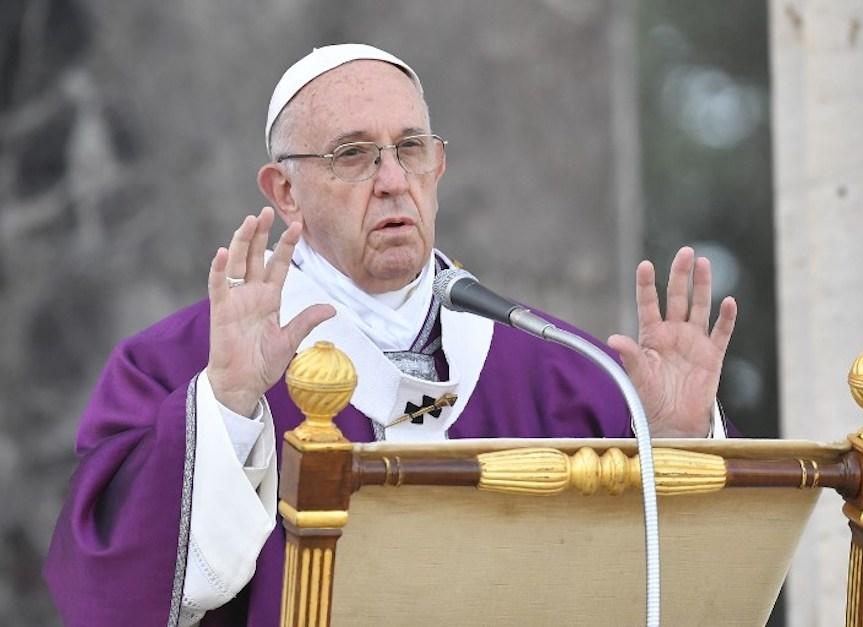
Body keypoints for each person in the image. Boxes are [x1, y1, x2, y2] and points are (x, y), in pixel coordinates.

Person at [44, 44, 738, 626]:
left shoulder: (564, 369)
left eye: (410, 148)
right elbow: (106, 587)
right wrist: (226, 409)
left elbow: (674, 595)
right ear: (285, 193)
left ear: (438, 165)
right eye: (353, 154)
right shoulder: (182, 362)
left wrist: (677, 442)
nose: (393, 181)